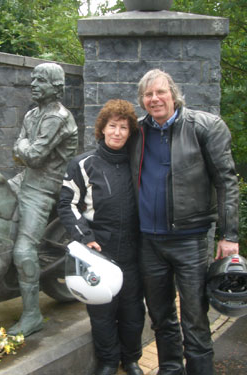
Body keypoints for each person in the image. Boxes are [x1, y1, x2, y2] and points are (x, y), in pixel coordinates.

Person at [130, 69, 239, 375]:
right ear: (142, 100)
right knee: (161, 316)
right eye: (148, 95)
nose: (154, 99)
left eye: (160, 92)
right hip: (149, 241)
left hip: (190, 240)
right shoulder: (137, 132)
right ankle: (170, 370)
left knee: (195, 317)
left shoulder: (205, 126)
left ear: (173, 94)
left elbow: (226, 181)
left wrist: (229, 234)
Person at [58, 99, 145, 375]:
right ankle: (108, 362)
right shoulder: (83, 165)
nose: (117, 132)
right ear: (102, 129)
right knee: (102, 313)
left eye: (123, 127)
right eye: (112, 126)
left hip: (133, 250)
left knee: (133, 313)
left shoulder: (138, 164)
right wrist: (85, 237)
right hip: (100, 250)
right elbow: (66, 204)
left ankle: (131, 359)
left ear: (129, 132)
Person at [7, 63, 78, 337]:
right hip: (25, 178)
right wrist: (23, 149)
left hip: (45, 187)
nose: (34, 84)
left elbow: (32, 155)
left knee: (24, 250)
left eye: (41, 81)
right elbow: (19, 154)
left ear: (56, 87)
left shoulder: (57, 117)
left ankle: (32, 315)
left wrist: (22, 147)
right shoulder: (32, 114)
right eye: (33, 79)